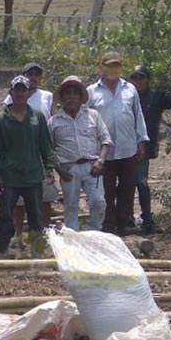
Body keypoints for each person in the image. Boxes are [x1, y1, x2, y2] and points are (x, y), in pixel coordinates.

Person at [0, 75, 56, 259]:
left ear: (29, 93)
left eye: (23, 90)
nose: (20, 93)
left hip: (33, 175)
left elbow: (45, 144)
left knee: (36, 217)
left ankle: (37, 252)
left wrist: (49, 167)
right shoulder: (1, 120)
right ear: (10, 92)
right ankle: (2, 251)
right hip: (9, 177)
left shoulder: (37, 117)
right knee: (5, 216)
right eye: (17, 89)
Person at [86, 51, 148, 235]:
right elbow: (87, 120)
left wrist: (142, 140)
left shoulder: (130, 89)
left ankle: (124, 222)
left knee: (127, 188)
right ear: (101, 68)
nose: (113, 69)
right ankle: (108, 223)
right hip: (103, 151)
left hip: (128, 148)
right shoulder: (91, 92)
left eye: (116, 66)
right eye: (109, 65)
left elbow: (138, 115)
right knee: (106, 189)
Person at [129, 64, 171, 234]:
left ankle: (147, 220)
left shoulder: (157, 96)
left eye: (141, 77)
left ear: (148, 79)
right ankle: (126, 218)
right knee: (126, 184)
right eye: (134, 77)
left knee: (141, 182)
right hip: (123, 147)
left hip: (144, 147)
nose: (138, 81)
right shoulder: (125, 96)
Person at [48, 76, 112, 231]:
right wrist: (58, 169)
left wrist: (100, 161)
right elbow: (48, 149)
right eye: (67, 93)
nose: (71, 97)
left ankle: (93, 232)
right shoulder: (54, 121)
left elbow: (106, 140)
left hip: (92, 166)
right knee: (70, 206)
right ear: (62, 98)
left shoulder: (93, 115)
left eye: (75, 93)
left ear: (80, 97)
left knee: (99, 202)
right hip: (68, 169)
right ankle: (73, 239)